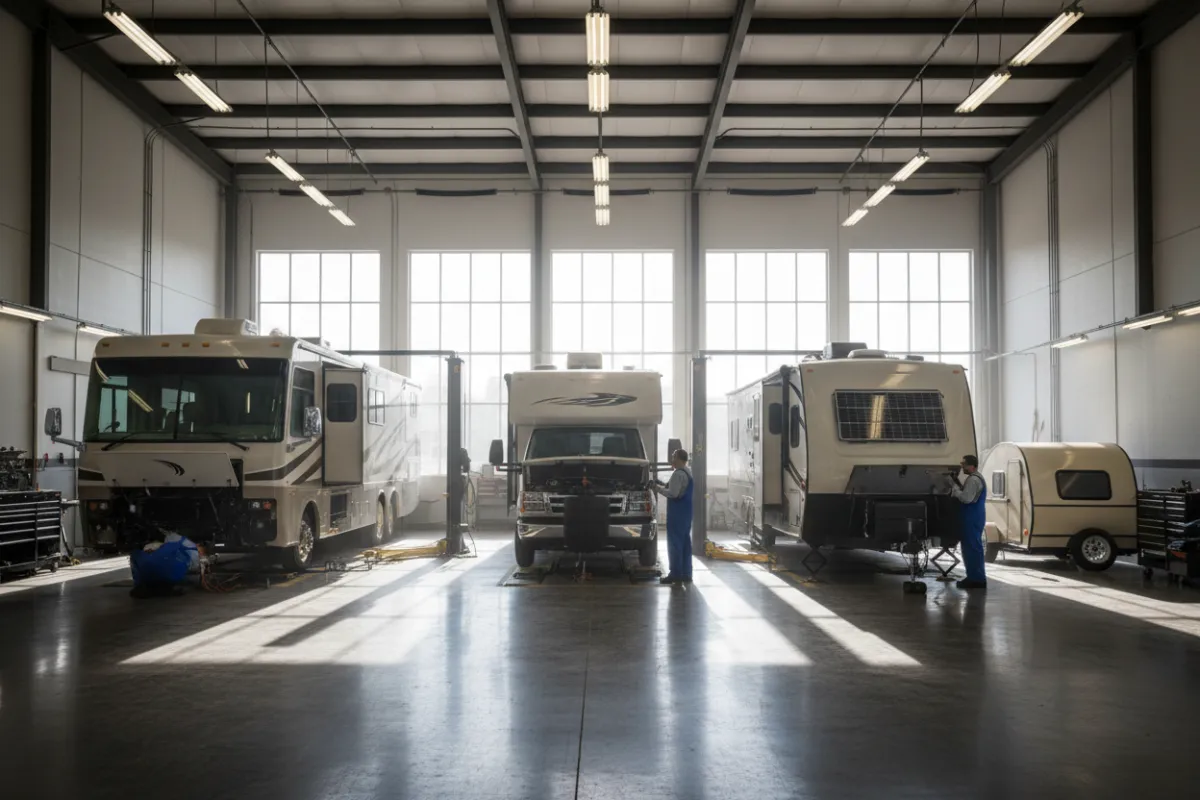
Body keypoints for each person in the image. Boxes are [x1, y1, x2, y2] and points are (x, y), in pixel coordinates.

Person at [655, 449, 694, 585]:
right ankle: (686, 573)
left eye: (673, 457)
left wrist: (657, 488)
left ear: (679, 458)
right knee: (685, 544)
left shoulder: (677, 474)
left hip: (677, 514)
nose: (672, 459)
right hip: (686, 514)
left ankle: (675, 574)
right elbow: (676, 488)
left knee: (674, 544)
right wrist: (661, 483)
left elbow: (673, 494)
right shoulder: (688, 472)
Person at [951, 454, 988, 590]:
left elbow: (967, 498)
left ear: (971, 466)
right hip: (974, 516)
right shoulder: (976, 478)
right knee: (973, 548)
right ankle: (975, 577)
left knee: (971, 548)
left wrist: (955, 491)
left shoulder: (973, 480)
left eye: (964, 464)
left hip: (971, 517)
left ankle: (976, 579)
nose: (962, 466)